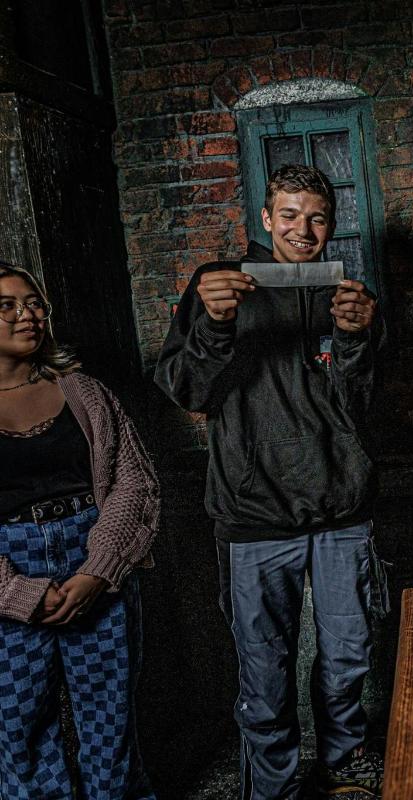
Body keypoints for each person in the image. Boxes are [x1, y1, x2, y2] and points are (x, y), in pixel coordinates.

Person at [155, 164, 384, 800]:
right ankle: (274, 788)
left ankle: (343, 761)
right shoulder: (219, 285)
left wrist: (357, 339)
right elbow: (187, 391)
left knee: (348, 656)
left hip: (340, 508)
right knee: (264, 671)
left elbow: (362, 406)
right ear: (265, 217)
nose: (302, 230)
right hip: (254, 515)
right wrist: (214, 324)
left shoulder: (349, 294)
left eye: (316, 218)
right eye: (288, 215)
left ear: (331, 225)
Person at [0, 262, 159, 799]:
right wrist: (15, 592)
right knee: (17, 729)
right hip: (8, 568)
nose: (28, 314)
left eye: (34, 303)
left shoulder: (84, 392)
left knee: (110, 722)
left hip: (92, 554)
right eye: (6, 305)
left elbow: (134, 483)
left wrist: (100, 570)